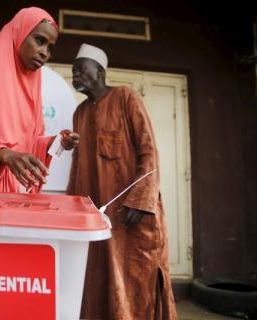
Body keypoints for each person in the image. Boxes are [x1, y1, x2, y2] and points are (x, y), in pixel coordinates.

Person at [67, 43, 177, 319]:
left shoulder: (126, 98)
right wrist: (70, 213)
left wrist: (141, 201)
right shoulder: (79, 114)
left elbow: (149, 150)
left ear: (100, 71)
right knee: (96, 282)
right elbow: (77, 169)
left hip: (131, 217)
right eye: (73, 72)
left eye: (81, 69)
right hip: (95, 220)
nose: (76, 75)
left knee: (136, 283)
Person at [0, 7, 78, 192]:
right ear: (20, 34)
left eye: (50, 47)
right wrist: (6, 155)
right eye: (40, 41)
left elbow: (27, 143)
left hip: (14, 196)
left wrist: (55, 142)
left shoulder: (31, 91)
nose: (45, 53)